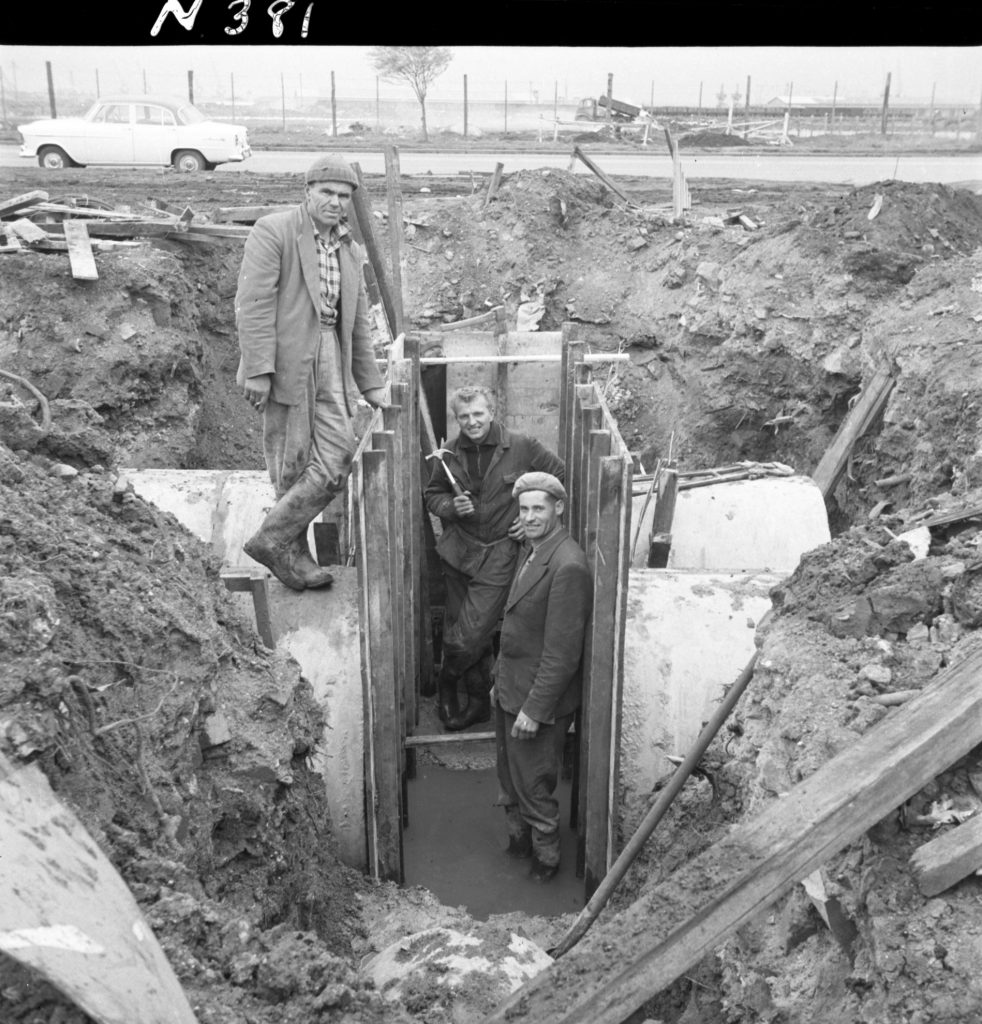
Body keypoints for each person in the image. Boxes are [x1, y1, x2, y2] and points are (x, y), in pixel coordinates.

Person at [235, 154, 387, 590]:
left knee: (338, 460)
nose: (335, 203)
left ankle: (271, 538)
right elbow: (255, 304)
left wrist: (371, 384)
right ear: (308, 192)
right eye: (327, 193)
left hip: (330, 354)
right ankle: (294, 558)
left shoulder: (349, 249)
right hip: (285, 359)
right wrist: (259, 369)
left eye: (343, 196)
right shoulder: (275, 231)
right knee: (290, 464)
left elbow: (356, 323)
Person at [424, 386, 564, 732]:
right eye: (464, 417)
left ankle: (445, 681)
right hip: (459, 552)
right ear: (457, 418)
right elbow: (432, 495)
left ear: (492, 411)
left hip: (501, 553)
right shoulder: (449, 453)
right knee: (466, 628)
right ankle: (477, 704)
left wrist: (530, 517)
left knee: (469, 633)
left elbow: (559, 477)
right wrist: (450, 508)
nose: (472, 422)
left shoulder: (522, 446)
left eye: (478, 414)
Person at [493, 472, 592, 882]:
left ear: (559, 509)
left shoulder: (568, 565)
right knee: (509, 777)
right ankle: (519, 844)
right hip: (511, 688)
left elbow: (563, 652)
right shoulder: (534, 550)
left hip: (536, 700)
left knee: (534, 784)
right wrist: (500, 680)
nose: (530, 517)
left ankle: (545, 863)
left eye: (539, 508)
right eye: (525, 509)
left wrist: (535, 709)